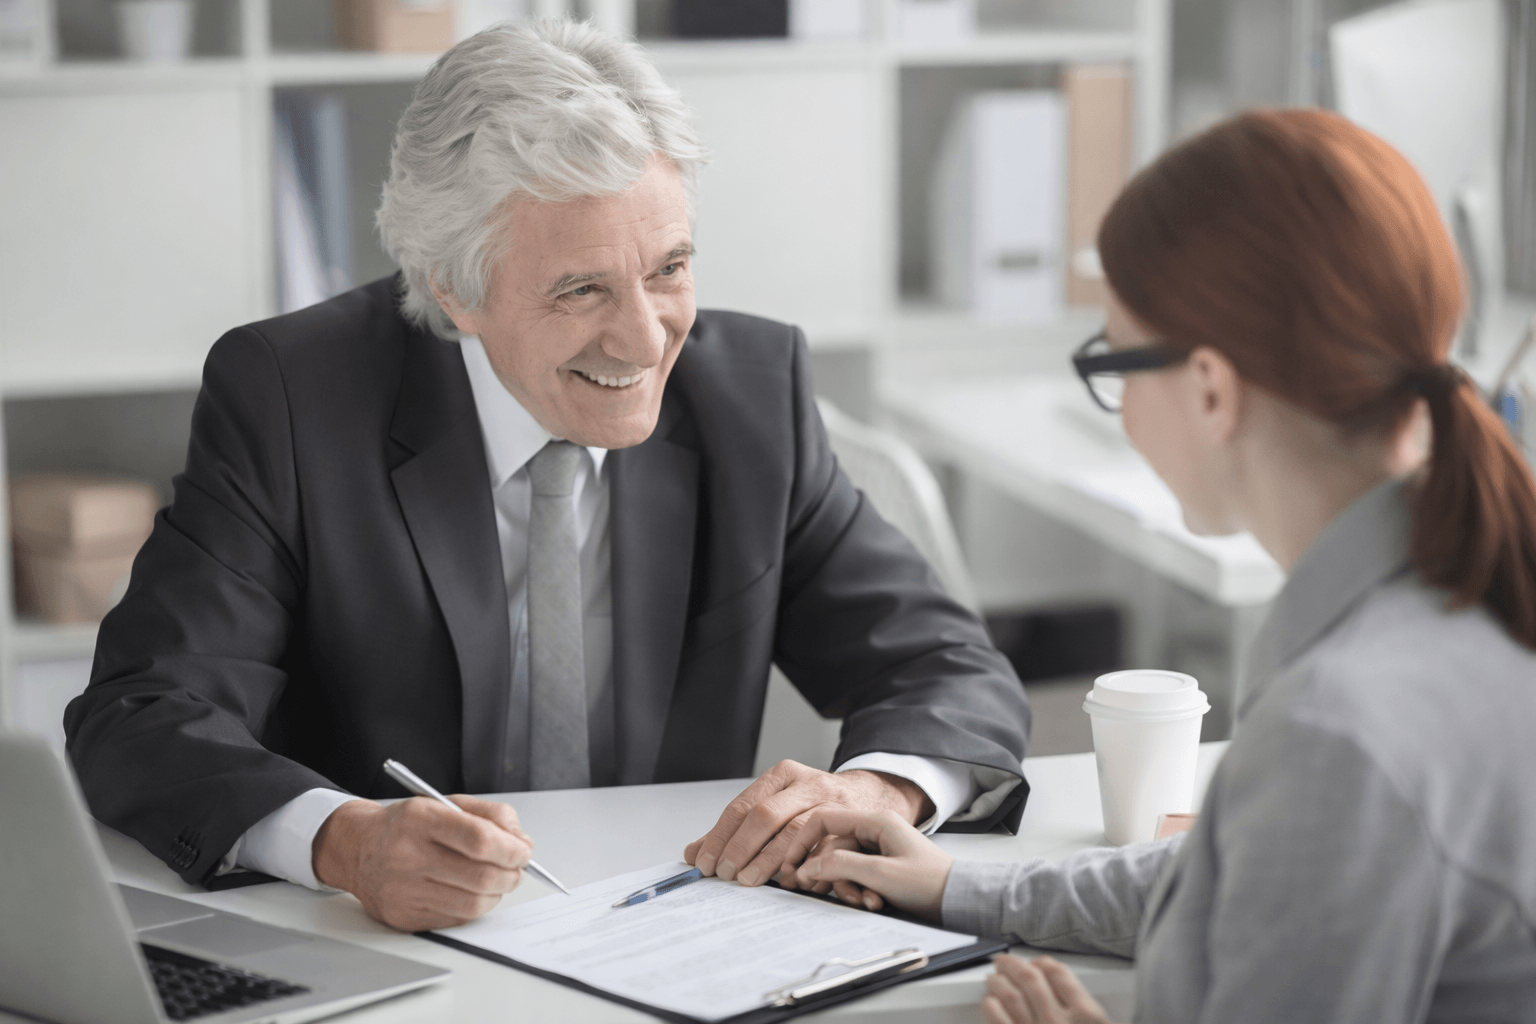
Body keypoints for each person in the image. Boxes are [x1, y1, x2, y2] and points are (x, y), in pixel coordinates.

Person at [63, 19, 1031, 932]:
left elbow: (947, 666)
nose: (647, 339)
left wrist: (868, 792)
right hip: (398, 955)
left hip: (681, 942)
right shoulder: (291, 397)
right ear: (456, 284)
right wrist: (341, 842)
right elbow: (141, 713)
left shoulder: (751, 399)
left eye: (669, 269)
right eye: (582, 290)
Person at [775, 108, 1536, 1022]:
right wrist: (961, 890)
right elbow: (1246, 871)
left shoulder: (1342, 730)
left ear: (1212, 389)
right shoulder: (1459, 600)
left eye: (1117, 359)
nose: (1121, 406)